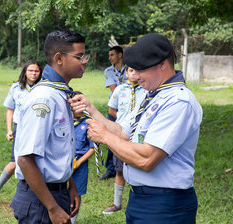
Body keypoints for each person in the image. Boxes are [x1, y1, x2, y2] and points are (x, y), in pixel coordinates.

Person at [69, 33, 203, 223]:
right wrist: (90, 109)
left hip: (165, 204)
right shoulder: (151, 95)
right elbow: (122, 131)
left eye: (140, 69)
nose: (135, 75)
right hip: (140, 198)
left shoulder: (178, 101)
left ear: (163, 64)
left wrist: (105, 137)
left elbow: (147, 159)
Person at [11, 30, 88, 223]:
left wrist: (70, 185)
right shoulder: (44, 98)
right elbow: (25, 159)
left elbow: (56, 151)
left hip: (57, 191)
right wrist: (52, 207)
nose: (84, 61)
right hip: (41, 202)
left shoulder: (60, 94)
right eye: (79, 56)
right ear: (59, 58)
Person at [0, 60, 42, 207]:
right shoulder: (16, 88)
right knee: (15, 162)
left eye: (36, 71)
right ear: (24, 72)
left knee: (38, 162)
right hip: (20, 128)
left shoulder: (43, 88)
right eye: (31, 71)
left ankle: (38, 196)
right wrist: (9, 130)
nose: (34, 73)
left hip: (38, 128)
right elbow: (10, 109)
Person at [103, 66, 147, 214]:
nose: (134, 73)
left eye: (137, 70)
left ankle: (141, 201)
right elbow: (111, 110)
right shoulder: (119, 90)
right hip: (121, 134)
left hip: (140, 136)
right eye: (131, 71)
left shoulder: (147, 90)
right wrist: (123, 124)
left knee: (141, 167)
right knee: (119, 170)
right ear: (126, 73)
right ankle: (117, 203)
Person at [101, 46, 128, 180]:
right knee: (111, 138)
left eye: (112, 55)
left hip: (128, 109)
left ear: (120, 55)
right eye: (109, 55)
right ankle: (111, 168)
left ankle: (127, 166)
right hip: (115, 108)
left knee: (127, 137)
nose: (110, 57)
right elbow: (115, 90)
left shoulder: (130, 69)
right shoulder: (108, 71)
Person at [70, 93, 95, 224]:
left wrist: (79, 162)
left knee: (76, 193)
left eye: (82, 104)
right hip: (63, 163)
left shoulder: (88, 123)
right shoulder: (63, 121)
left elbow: (92, 148)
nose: (79, 107)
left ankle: (73, 220)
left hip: (80, 164)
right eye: (76, 104)